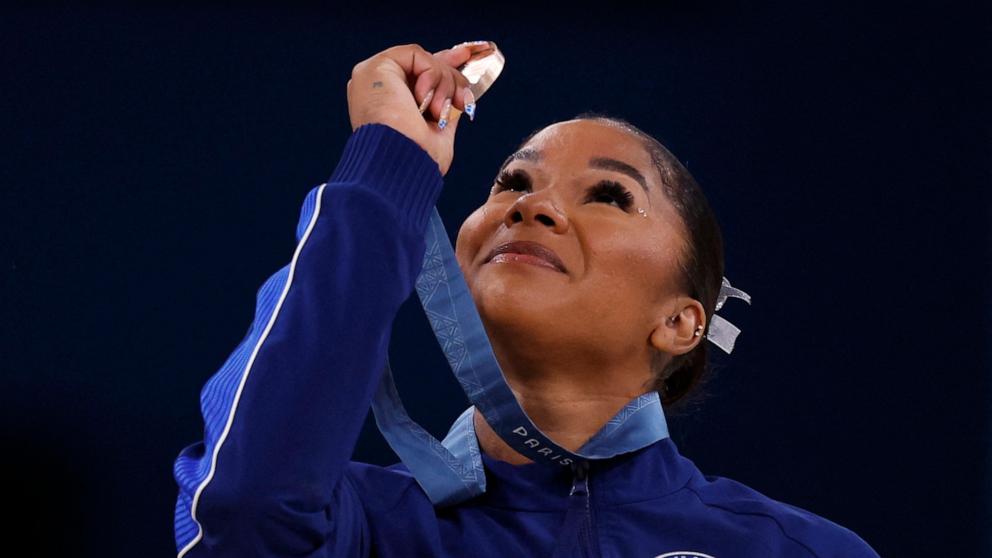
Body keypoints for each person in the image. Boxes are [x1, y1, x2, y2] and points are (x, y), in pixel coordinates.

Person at [172, 42, 880, 557]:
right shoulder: (359, 526)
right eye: (511, 182)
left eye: (610, 195)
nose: (531, 208)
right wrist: (389, 164)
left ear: (681, 322)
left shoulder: (801, 552)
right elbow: (240, 515)